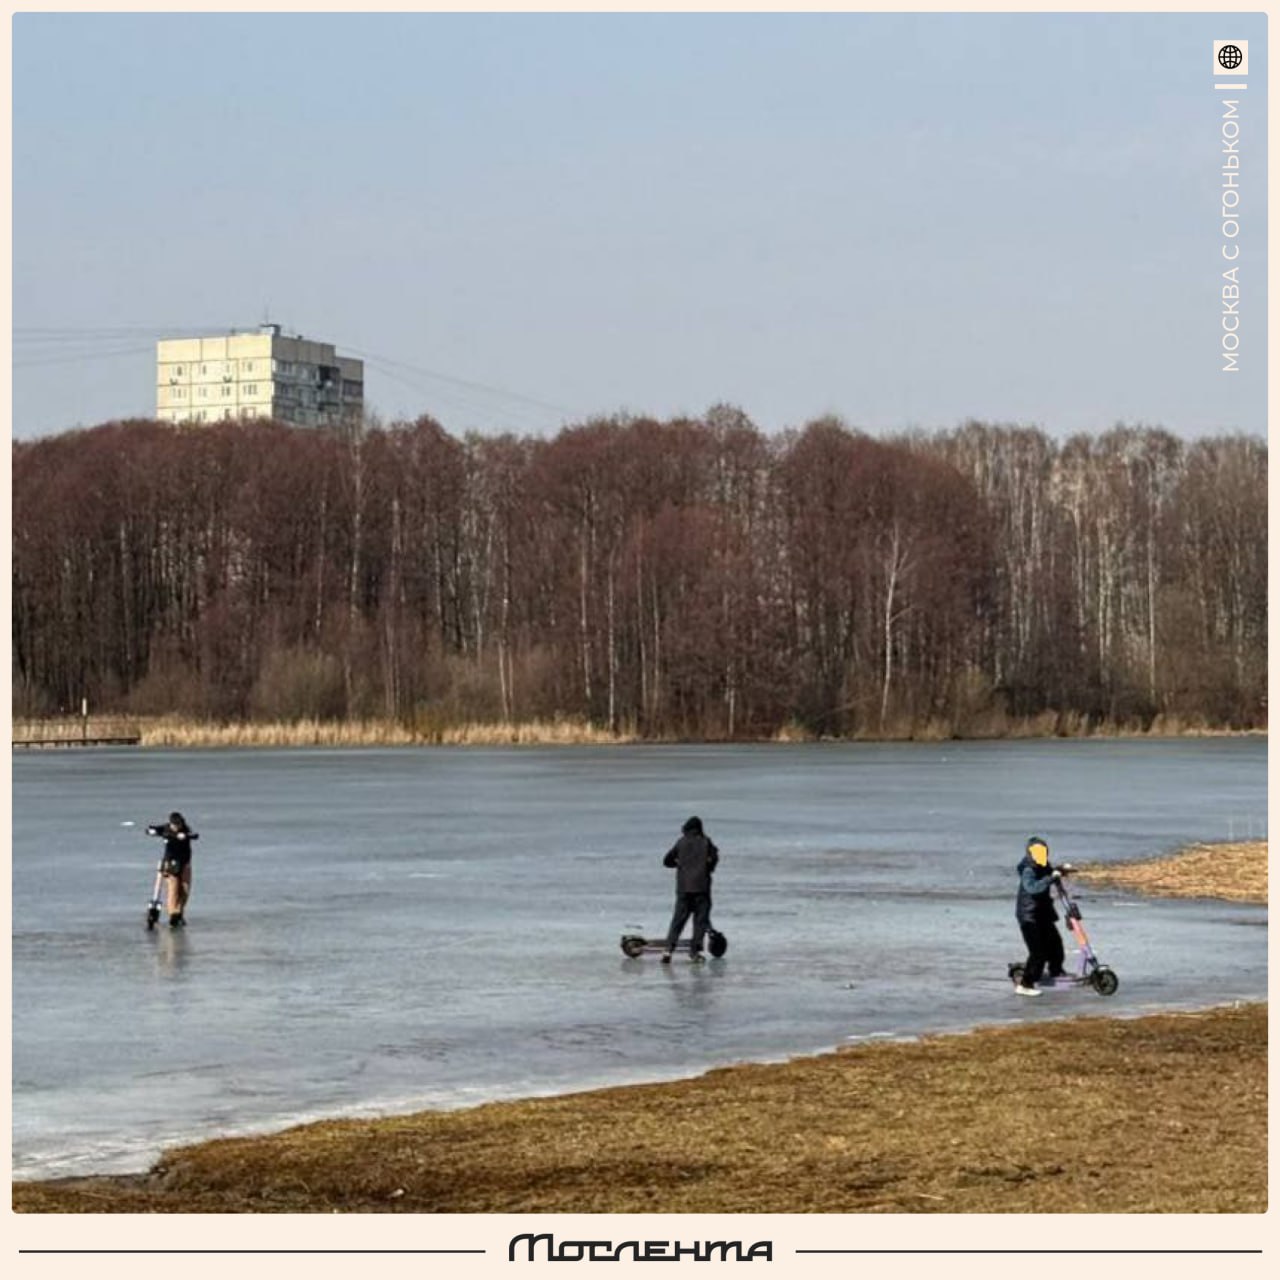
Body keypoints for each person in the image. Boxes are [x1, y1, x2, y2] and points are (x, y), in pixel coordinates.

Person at [1013, 835, 1074, 996]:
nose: (1041, 854)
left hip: (1042, 914)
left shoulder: (1043, 865)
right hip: (1029, 916)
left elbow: (1051, 874)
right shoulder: (1028, 869)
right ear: (1030, 853)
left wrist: (1060, 871)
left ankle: (1056, 971)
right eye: (1037, 851)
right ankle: (1025, 984)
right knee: (1038, 952)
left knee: (1055, 944)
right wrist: (1050, 878)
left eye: (1043, 851)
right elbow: (1033, 888)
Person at [661, 816, 719, 964]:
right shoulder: (706, 842)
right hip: (701, 888)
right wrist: (707, 867)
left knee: (678, 921)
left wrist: (680, 864)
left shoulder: (681, 842)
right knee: (700, 921)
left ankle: (668, 950)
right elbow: (714, 859)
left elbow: (666, 861)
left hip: (683, 889)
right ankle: (694, 953)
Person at [147, 812, 199, 927]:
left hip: (185, 863)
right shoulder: (166, 829)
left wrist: (185, 835)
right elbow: (151, 830)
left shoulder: (185, 829)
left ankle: (179, 912)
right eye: (174, 825)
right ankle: (173, 915)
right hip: (170, 864)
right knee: (173, 889)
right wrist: (152, 831)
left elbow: (195, 835)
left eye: (178, 824)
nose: (177, 827)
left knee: (185, 890)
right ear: (171, 823)